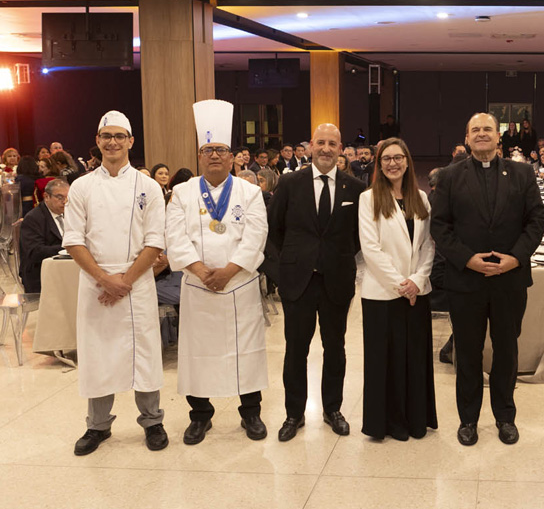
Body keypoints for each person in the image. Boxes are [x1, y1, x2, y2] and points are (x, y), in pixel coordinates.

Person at [430, 112, 544, 447]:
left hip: (509, 279)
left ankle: (505, 417)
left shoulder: (523, 173)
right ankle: (468, 419)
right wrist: (468, 259)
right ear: (467, 138)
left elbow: (536, 219)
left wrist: (515, 258)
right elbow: (440, 226)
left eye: (488, 130)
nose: (482, 134)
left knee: (507, 351)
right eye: (475, 130)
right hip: (466, 280)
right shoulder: (449, 176)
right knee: (467, 352)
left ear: (500, 137)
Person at [62, 110, 168, 456]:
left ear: (131, 142)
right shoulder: (82, 186)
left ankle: (152, 421)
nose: (112, 142)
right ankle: (97, 426)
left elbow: (155, 241)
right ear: (97, 142)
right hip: (95, 282)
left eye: (119, 136)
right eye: (106, 136)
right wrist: (104, 278)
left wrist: (124, 281)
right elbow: (73, 240)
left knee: (145, 353)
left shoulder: (148, 186)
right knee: (97, 353)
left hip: (137, 282)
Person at [165, 100, 270, 445]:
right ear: (199, 156)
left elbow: (257, 236)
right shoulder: (181, 193)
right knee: (198, 353)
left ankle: (250, 413)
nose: (214, 155)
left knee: (247, 350)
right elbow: (175, 237)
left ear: (232, 157)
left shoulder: (250, 192)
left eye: (221, 150)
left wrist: (228, 271)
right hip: (198, 287)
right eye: (207, 149)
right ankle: (200, 416)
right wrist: (199, 270)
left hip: (239, 285)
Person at [268, 123, 366, 442]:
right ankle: (294, 413)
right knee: (296, 349)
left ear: (340, 148)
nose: (326, 148)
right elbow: (274, 231)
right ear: (310, 146)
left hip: (337, 279)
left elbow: (358, 238)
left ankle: (332, 409)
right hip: (298, 280)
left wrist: (335, 257)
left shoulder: (355, 188)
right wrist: (287, 268)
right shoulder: (289, 183)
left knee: (335, 348)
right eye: (320, 142)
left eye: (332, 143)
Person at [358, 138, 437, 441]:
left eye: (398, 158)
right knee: (384, 361)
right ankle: (386, 423)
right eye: (386, 159)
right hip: (382, 293)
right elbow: (371, 248)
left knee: (414, 360)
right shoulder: (369, 199)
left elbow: (429, 245)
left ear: (407, 161)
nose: (392, 163)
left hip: (417, 291)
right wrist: (400, 284)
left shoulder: (420, 198)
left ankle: (416, 420)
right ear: (379, 164)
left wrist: (417, 280)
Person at [18, 178, 68, 294]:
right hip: (40, 272)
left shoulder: (69, 214)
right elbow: (35, 251)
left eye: (67, 198)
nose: (65, 202)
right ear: (46, 197)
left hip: (65, 267)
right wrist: (68, 248)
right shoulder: (34, 218)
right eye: (60, 197)